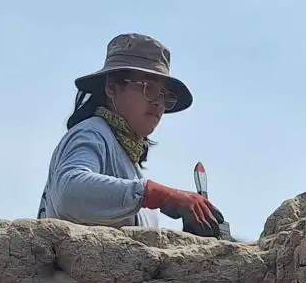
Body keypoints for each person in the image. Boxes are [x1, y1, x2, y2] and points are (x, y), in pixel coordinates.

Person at [38, 34, 221, 233]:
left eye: (165, 96)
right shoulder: (91, 133)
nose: (158, 103)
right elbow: (68, 193)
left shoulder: (128, 162)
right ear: (112, 87)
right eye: (149, 88)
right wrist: (160, 195)